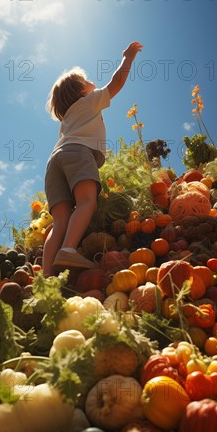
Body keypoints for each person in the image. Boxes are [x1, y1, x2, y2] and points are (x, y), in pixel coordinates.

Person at [42, 41, 143, 276]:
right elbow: (117, 82)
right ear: (80, 91)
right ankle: (68, 249)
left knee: (60, 222)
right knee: (87, 201)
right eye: (87, 81)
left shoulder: (67, 118)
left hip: (54, 161)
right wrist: (128, 58)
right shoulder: (88, 102)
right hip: (78, 152)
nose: (92, 83)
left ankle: (45, 277)